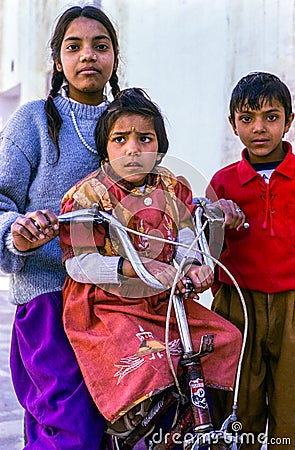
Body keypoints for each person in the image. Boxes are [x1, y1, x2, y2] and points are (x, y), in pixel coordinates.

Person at [59, 87, 243, 443]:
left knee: (225, 337)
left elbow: (186, 235)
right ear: (105, 148)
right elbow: (79, 264)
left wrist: (192, 264)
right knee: (148, 361)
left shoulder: (172, 188)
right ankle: (128, 423)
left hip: (163, 300)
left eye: (145, 139)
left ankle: (197, 416)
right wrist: (126, 269)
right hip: (107, 305)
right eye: (120, 139)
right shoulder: (88, 195)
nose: (133, 149)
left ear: (159, 146)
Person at [0, 5, 120, 449]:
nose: (88, 55)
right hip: (49, 300)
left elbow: (158, 195)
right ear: (57, 60)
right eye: (74, 46)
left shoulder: (127, 124)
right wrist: (16, 232)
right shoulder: (33, 121)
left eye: (100, 46)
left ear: (114, 58)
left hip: (116, 304)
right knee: (67, 426)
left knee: (119, 423)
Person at [206, 72, 295, 449]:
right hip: (238, 306)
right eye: (247, 118)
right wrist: (217, 219)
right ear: (233, 124)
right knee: (240, 403)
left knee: (291, 404)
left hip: (293, 304)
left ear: (289, 121)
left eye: (271, 117)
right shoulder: (222, 183)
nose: (259, 128)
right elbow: (206, 249)